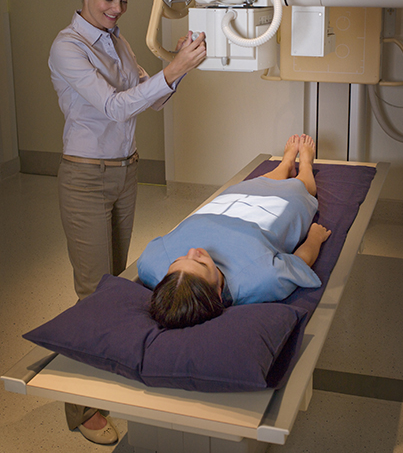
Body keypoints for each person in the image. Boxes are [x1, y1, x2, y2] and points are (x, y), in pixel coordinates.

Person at [48, 0, 206, 444]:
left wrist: (176, 69)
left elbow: (149, 96)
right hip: (84, 177)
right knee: (93, 294)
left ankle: (105, 380)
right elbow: (117, 107)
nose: (117, 9)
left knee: (116, 288)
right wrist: (171, 69)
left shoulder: (117, 42)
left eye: (123, 2)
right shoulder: (67, 47)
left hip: (124, 172)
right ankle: (81, 409)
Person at [138, 134, 331, 330]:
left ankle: (285, 164)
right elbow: (298, 264)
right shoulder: (258, 279)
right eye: (200, 263)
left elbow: (150, 261)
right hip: (270, 215)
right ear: (219, 293)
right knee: (299, 190)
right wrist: (315, 238)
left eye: (178, 260)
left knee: (253, 185)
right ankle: (305, 165)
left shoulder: (151, 265)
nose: (193, 251)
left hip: (224, 207)